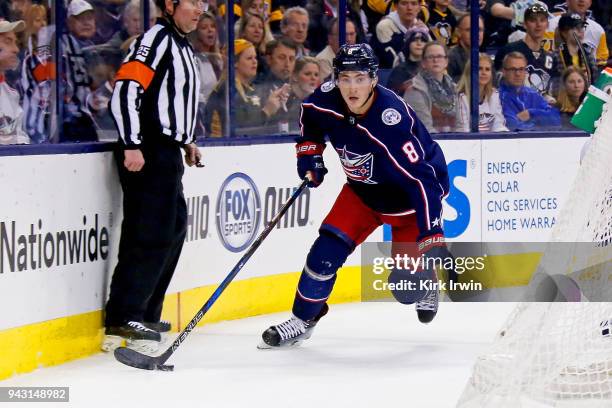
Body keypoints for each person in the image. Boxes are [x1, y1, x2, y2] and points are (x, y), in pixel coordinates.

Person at [259, 43, 450, 349]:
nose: (352, 87)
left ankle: (425, 278)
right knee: (323, 255)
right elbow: (310, 124)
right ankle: (302, 320)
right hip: (361, 193)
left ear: (374, 79)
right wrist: (310, 157)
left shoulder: (391, 120)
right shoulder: (325, 98)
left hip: (408, 204)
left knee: (405, 289)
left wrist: (432, 235)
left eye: (360, 78)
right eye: (345, 78)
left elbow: (423, 181)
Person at [103, 0, 204, 353]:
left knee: (172, 227)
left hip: (166, 150)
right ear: (170, 5)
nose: (200, 10)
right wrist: (132, 143)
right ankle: (123, 314)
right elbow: (125, 92)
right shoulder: (157, 39)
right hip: (147, 149)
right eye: (193, 2)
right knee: (148, 232)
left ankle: (144, 311)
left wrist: (186, 140)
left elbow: (172, 102)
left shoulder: (180, 44)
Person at [204, 39, 289, 137]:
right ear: (235, 62)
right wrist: (267, 110)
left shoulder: (248, 89)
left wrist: (275, 105)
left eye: (255, 58)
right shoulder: (226, 90)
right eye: (249, 58)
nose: (255, 62)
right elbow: (241, 128)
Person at [494, 3, 558, 103]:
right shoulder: (509, 50)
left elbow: (546, 91)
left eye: (542, 20)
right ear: (524, 24)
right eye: (533, 20)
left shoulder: (550, 58)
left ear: (547, 24)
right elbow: (496, 85)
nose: (538, 24)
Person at [404, 41, 462, 132]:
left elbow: (461, 125)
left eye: (439, 56)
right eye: (431, 57)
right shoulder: (414, 90)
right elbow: (424, 129)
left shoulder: (455, 88)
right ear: (423, 62)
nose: (435, 60)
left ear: (446, 62)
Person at [61, 0, 98, 142]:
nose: (86, 23)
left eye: (89, 18)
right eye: (80, 19)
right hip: (70, 120)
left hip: (88, 117)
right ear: (70, 22)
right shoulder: (62, 44)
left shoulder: (94, 48)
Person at [499, 52, 561, 130]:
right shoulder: (498, 97)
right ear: (504, 72)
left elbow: (556, 120)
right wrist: (540, 122)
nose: (518, 74)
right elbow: (513, 127)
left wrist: (531, 113)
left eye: (521, 69)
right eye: (513, 69)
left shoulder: (533, 94)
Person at [457, 53, 508, 132]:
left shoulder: (494, 95)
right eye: (479, 69)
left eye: (487, 69)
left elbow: (498, 124)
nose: (484, 73)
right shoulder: (461, 97)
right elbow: (463, 130)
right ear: (470, 71)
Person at [370, 0, 428, 68]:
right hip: (388, 74)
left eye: (414, 4)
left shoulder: (421, 27)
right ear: (396, 6)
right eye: (404, 3)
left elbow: (432, 56)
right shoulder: (384, 26)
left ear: (419, 7)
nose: (409, 8)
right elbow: (393, 61)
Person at [0, 19, 30, 145]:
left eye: (16, 42)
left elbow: (21, 143)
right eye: (8, 41)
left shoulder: (12, 95)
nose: (16, 49)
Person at [555, 12, 598, 86]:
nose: (580, 31)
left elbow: (595, 81)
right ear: (564, 32)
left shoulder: (588, 54)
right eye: (576, 28)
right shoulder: (556, 56)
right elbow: (555, 84)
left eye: (582, 26)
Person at [387, 25, 430, 95]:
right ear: (408, 44)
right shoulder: (400, 70)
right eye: (414, 40)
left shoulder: (431, 68)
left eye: (423, 40)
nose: (419, 43)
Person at [285, 56, 321, 132]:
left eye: (316, 75)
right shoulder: (284, 100)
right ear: (295, 76)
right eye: (307, 74)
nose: (313, 78)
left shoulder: (322, 101)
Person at [447, 14, 484, 82]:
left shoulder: (484, 58)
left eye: (480, 30)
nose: (476, 34)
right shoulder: (450, 58)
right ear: (458, 32)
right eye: (469, 30)